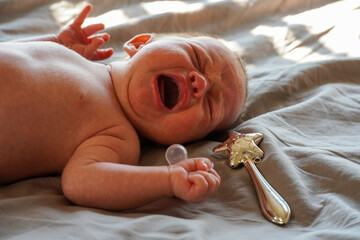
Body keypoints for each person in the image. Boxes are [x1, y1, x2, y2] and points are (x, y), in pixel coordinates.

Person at [0, 5, 247, 210]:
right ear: (139, 44)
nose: (201, 83)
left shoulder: (117, 136)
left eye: (212, 105)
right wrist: (53, 42)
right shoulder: (78, 58)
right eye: (197, 58)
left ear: (187, 139)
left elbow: (80, 182)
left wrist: (169, 180)